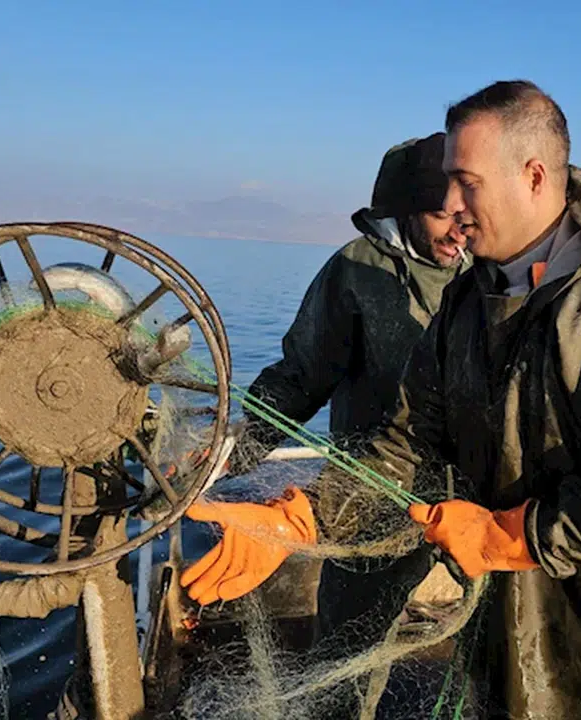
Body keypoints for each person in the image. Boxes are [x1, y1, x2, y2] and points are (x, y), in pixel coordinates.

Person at [182, 81, 581, 719]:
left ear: (533, 176)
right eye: (448, 183)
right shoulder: (468, 301)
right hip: (513, 637)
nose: (454, 206)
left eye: (467, 183)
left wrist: (505, 535)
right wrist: (303, 516)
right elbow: (408, 440)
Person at [182, 132, 469, 650]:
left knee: (483, 653)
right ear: (406, 210)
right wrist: (233, 451)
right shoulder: (356, 271)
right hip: (369, 498)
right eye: (440, 215)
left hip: (470, 510)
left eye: (465, 215)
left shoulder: (485, 273)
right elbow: (301, 376)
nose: (458, 232)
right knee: (347, 649)